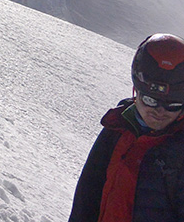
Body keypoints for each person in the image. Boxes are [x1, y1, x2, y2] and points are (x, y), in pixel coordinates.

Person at [68, 33, 184, 222]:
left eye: (173, 105)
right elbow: (86, 199)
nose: (160, 111)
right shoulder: (117, 129)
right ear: (136, 92)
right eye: (150, 100)